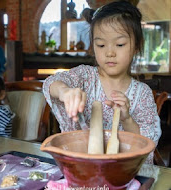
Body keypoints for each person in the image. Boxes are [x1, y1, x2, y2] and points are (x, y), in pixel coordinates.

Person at [43, 1, 161, 164]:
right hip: (82, 167)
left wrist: (127, 119)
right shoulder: (85, 77)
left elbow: (145, 141)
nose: (110, 52)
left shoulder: (142, 93)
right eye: (101, 45)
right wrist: (65, 92)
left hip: (125, 171)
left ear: (136, 47)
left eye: (120, 44)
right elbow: (53, 83)